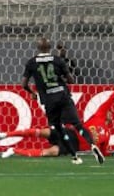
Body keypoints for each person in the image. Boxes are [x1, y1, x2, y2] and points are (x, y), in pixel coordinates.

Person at [0, 69, 114, 161]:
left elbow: (104, 152)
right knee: (39, 132)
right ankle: (5, 134)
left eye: (111, 113)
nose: (111, 113)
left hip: (72, 146)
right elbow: (111, 98)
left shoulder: (107, 136)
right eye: (110, 111)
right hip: (70, 133)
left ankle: (14, 150)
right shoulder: (99, 114)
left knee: (48, 153)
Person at [18, 37, 104, 165]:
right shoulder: (57, 60)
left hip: (49, 100)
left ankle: (75, 156)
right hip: (63, 96)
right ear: (50, 48)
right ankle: (92, 145)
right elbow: (71, 81)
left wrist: (32, 93)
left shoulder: (31, 63)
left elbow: (24, 84)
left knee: (58, 129)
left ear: (38, 48)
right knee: (78, 125)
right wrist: (62, 69)